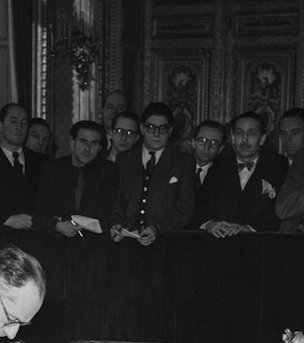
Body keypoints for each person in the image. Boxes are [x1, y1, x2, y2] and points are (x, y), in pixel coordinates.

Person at [109, 102, 195, 246]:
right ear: (142, 129)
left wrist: (157, 228)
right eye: (150, 128)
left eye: (162, 129)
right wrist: (116, 223)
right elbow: (117, 200)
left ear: (170, 130)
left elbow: (186, 210)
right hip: (126, 242)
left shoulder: (183, 162)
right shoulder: (124, 159)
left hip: (165, 243)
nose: (156, 134)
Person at [194, 111, 289, 237]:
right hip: (219, 247)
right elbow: (200, 208)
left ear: (262, 139)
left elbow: (281, 213)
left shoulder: (279, 167)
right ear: (232, 137)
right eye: (239, 133)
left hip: (261, 247)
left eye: (252, 134)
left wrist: (249, 229)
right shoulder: (217, 166)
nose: (244, 140)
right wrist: (210, 224)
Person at [33, 120, 118, 236]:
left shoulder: (109, 171)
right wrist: (58, 225)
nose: (87, 149)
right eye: (83, 142)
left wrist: (62, 218)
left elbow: (106, 215)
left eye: (94, 143)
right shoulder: (52, 169)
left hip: (94, 243)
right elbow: (39, 214)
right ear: (72, 142)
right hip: (57, 242)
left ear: (100, 148)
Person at [190, 120, 226, 193]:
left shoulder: (225, 176)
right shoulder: (178, 167)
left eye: (214, 143)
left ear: (220, 149)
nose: (207, 147)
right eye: (202, 140)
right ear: (193, 142)